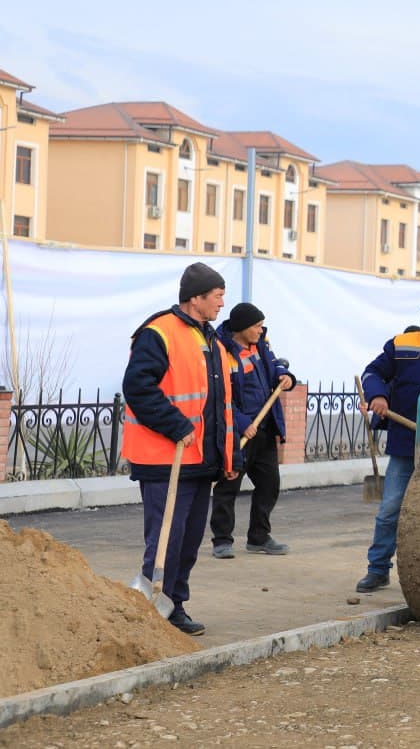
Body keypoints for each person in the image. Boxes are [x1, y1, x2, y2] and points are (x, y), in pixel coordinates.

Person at [122, 262, 239, 635]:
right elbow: (138, 387)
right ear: (196, 298)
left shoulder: (212, 340)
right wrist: (176, 425)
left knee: (188, 542)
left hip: (200, 462)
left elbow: (221, 407)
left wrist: (228, 457)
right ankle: (151, 610)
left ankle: (174, 604)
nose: (222, 303)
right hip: (165, 459)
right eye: (217, 296)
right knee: (165, 541)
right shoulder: (158, 333)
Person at [354, 292, 420, 594]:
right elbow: (373, 372)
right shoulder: (402, 344)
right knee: (390, 509)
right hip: (404, 442)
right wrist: (377, 396)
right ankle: (377, 569)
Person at [209, 302, 297, 559]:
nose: (261, 330)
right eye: (256, 326)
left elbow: (275, 366)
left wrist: (286, 377)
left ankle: (259, 537)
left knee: (269, 484)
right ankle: (222, 541)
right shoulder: (222, 352)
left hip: (265, 428)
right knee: (228, 486)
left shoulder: (261, 345)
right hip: (237, 433)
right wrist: (240, 422)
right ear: (242, 328)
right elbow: (219, 396)